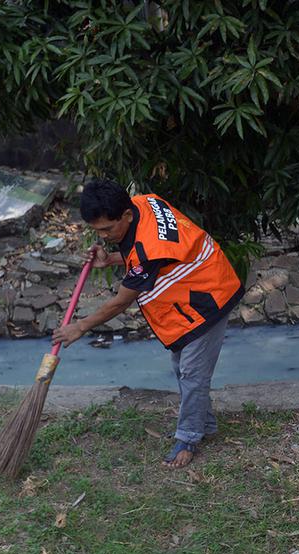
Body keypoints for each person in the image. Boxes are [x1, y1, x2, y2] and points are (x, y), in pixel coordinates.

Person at [52, 180, 243, 469]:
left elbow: (121, 301)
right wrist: (114, 258)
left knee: (192, 372)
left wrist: (81, 326)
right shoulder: (143, 202)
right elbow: (148, 255)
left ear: (126, 215)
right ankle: (204, 424)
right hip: (195, 286)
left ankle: (188, 438)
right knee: (182, 367)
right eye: (98, 231)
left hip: (208, 296)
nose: (103, 237)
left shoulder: (149, 247)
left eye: (107, 229)